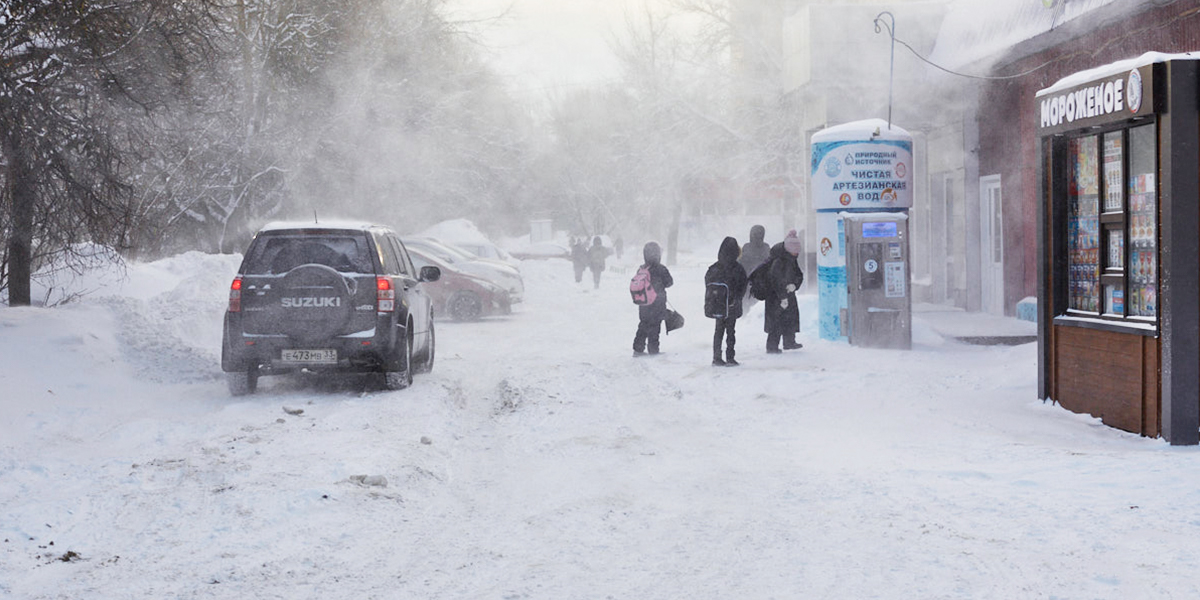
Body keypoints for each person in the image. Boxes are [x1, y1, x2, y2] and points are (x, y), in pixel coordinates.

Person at [704, 236, 749, 367]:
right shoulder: (738, 268)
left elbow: (708, 284)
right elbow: (743, 285)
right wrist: (737, 298)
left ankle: (716, 357)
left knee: (718, 331)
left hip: (717, 305)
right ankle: (730, 357)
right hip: (731, 305)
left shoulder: (714, 268)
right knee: (730, 331)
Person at [762, 229, 805, 354]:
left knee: (790, 317)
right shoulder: (778, 260)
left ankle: (789, 342)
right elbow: (775, 280)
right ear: (788, 249)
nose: (796, 254)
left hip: (788, 293)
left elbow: (799, 275)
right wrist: (782, 297)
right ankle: (772, 346)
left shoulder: (791, 258)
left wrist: (794, 285)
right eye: (795, 251)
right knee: (776, 320)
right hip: (775, 296)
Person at [633, 241, 673, 356]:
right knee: (655, 327)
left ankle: (638, 348)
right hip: (657, 303)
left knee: (643, 325)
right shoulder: (661, 269)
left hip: (643, 304)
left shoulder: (642, 269)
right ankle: (653, 349)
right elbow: (669, 282)